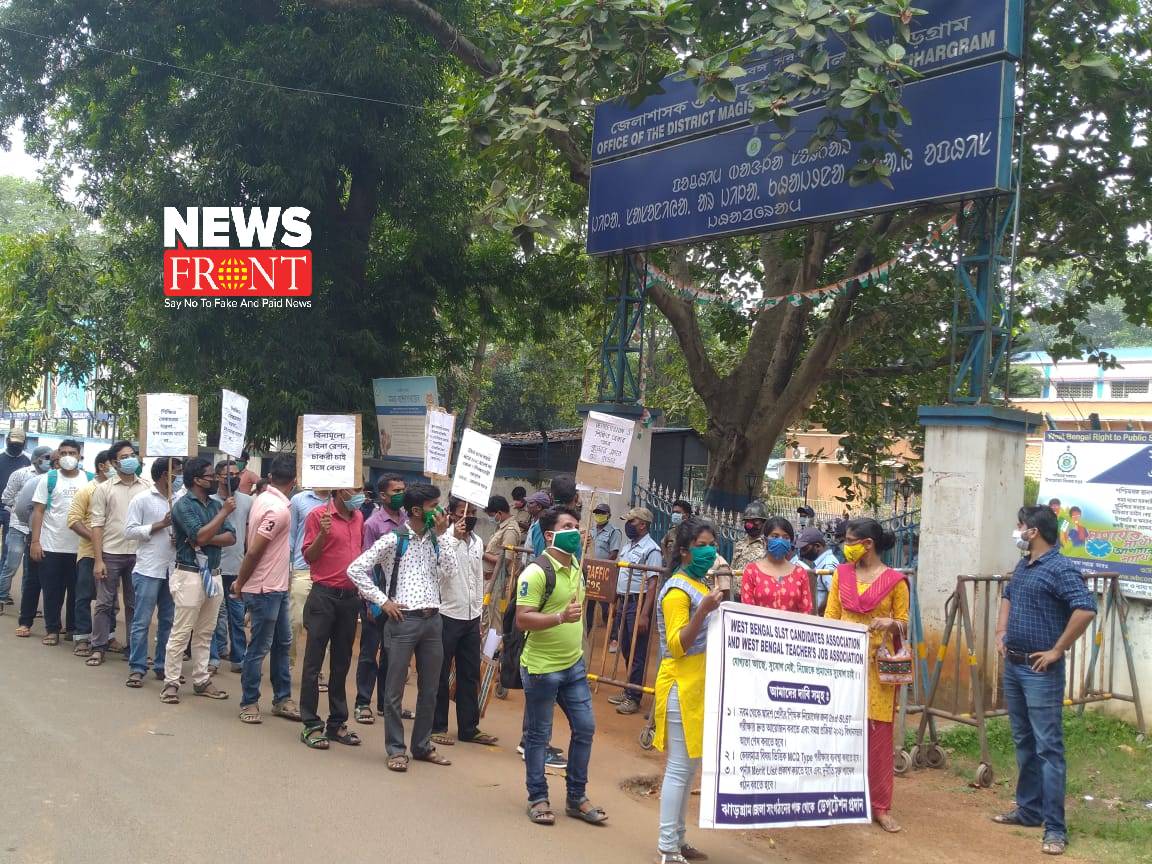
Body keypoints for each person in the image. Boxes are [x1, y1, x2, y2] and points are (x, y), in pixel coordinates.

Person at [992, 506, 1097, 857]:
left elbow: (1085, 609)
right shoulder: (1025, 564)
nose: (1017, 530)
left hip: (1040, 671)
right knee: (1024, 741)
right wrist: (1001, 631)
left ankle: (1055, 828)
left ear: (1034, 531)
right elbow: (1009, 596)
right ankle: (1029, 810)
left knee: (1048, 749)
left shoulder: (1061, 568)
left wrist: (1056, 650)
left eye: (1020, 525)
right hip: (1015, 664)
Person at [345, 483, 460, 773]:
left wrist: (444, 536)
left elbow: (451, 572)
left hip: (434, 620)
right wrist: (383, 601)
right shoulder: (393, 540)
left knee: (431, 688)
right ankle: (396, 750)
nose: (440, 511)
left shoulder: (437, 539)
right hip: (403, 620)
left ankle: (422, 746)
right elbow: (355, 568)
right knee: (393, 690)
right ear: (418, 510)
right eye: (434, 506)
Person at [517, 506, 606, 827]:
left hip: (573, 667)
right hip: (542, 669)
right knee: (539, 736)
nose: (577, 529)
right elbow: (522, 618)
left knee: (585, 728)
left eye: (578, 524)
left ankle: (576, 797)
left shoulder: (577, 567)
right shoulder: (536, 572)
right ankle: (538, 798)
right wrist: (558, 618)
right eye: (569, 525)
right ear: (551, 535)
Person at [824, 517, 909, 834]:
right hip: (843, 664)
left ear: (867, 544)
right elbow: (830, 616)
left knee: (877, 735)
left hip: (877, 667)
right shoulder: (841, 575)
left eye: (849, 541)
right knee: (840, 731)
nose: (846, 547)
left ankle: (881, 806)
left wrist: (890, 624)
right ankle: (838, 797)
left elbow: (904, 623)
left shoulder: (895, 582)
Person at [653, 517, 724, 863]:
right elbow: (677, 644)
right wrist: (705, 611)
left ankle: (679, 839)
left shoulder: (699, 584)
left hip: (700, 686)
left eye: (712, 543)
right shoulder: (678, 591)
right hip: (681, 684)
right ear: (683, 551)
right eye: (701, 545)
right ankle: (667, 846)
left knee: (689, 766)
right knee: (679, 768)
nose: (709, 550)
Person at [233, 454, 300, 724]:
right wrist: (240, 583)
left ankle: (282, 698)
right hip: (264, 588)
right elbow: (254, 552)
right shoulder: (278, 509)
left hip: (277, 585)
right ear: (294, 482)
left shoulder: (264, 499)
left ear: (271, 477)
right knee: (260, 647)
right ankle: (249, 702)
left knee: (283, 643)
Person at [298, 486, 366, 750]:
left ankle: (337, 723)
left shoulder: (358, 517)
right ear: (339, 491)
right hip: (323, 596)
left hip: (349, 598)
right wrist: (323, 535)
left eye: (361, 488)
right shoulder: (318, 516)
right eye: (354, 489)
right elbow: (309, 556)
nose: (359, 493)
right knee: (314, 662)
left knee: (342, 662)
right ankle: (311, 725)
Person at [162, 457, 234, 704]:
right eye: (210, 476)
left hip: (213, 575)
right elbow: (199, 534)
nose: (215, 479)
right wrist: (220, 518)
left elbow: (231, 537)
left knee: (205, 632)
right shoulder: (183, 505)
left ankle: (201, 679)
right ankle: (171, 682)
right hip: (190, 574)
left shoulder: (214, 506)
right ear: (196, 480)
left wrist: (205, 536)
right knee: (181, 632)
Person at [432, 497, 498, 747]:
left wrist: (480, 609)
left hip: (471, 615)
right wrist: (453, 540)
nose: (466, 517)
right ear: (450, 514)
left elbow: (476, 576)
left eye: (471, 512)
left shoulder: (478, 541)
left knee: (469, 673)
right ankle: (437, 725)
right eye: (461, 512)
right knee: (439, 672)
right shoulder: (441, 539)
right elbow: (441, 573)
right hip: (447, 613)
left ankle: (469, 728)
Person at [354, 472, 411, 725]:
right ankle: (363, 702)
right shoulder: (373, 524)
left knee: (393, 655)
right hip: (378, 599)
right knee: (369, 651)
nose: (400, 494)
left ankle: (385, 704)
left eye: (403, 490)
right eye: (395, 491)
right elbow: (365, 565)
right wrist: (370, 601)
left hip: (402, 599)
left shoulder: (410, 522)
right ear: (383, 495)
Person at [88, 440, 150, 666]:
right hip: (111, 553)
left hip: (138, 554)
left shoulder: (145, 487)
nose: (130, 459)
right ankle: (98, 647)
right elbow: (97, 524)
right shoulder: (104, 489)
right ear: (114, 462)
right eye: (124, 456)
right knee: (104, 603)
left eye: (132, 454)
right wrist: (98, 560)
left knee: (135, 605)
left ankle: (134, 650)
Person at [123, 458, 179, 687]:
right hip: (148, 568)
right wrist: (160, 525)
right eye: (176, 473)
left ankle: (162, 665)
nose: (179, 477)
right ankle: (137, 667)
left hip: (172, 568)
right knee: (142, 620)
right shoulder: (142, 499)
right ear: (165, 475)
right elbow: (129, 531)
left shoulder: (180, 500)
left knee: (168, 620)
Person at [29, 439, 89, 646]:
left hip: (80, 548)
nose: (67, 457)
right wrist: (35, 541)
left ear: (80, 456)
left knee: (78, 592)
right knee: (52, 590)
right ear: (58, 456)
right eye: (63, 453)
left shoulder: (89, 480)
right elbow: (38, 511)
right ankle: (52, 629)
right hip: (52, 545)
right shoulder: (49, 479)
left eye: (72, 453)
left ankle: (72, 629)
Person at [611, 507, 663, 715]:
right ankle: (629, 687)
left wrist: (644, 613)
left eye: (631, 522)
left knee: (637, 649)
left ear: (642, 524)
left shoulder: (652, 550)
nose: (628, 525)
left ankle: (634, 696)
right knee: (625, 645)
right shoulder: (628, 546)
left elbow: (653, 584)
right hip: (624, 601)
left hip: (638, 602)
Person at [67, 449, 112, 657]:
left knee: (109, 598)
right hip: (88, 553)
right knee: (84, 595)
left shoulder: (116, 489)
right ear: (103, 466)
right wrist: (96, 540)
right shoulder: (87, 490)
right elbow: (73, 520)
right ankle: (82, 638)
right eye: (114, 462)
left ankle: (107, 636)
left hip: (114, 553)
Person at [7, 446, 53, 638]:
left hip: (63, 541)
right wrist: (34, 530)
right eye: (50, 459)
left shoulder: (79, 482)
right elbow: (22, 509)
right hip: (35, 536)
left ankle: (55, 626)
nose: (51, 462)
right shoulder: (36, 481)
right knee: (31, 580)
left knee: (56, 584)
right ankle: (26, 620)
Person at [211, 460, 252, 674]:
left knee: (237, 617)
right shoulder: (209, 501)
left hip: (238, 568)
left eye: (237, 473)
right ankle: (214, 658)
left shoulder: (247, 501)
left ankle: (239, 658)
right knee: (213, 617)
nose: (234, 477)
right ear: (218, 477)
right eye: (229, 474)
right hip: (214, 567)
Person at [289, 484, 329, 671]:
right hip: (302, 568)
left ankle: (318, 670)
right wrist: (287, 567)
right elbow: (291, 535)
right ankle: (287, 664)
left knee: (323, 626)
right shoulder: (299, 500)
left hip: (328, 573)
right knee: (295, 621)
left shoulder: (341, 502)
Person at [741, 517, 813, 614]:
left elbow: (806, 611)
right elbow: (746, 610)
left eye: (786, 537)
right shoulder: (752, 571)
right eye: (775, 536)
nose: (780, 540)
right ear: (765, 540)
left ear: (790, 542)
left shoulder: (800, 573)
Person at [0, 428, 30, 606]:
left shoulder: (27, 462)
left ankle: (2, 591)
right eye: (13, 443)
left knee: (8, 551)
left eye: (19, 444)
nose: (15, 446)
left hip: (12, 511)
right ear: (7, 441)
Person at [586, 502, 621, 629]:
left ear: (609, 515)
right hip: (591, 573)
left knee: (606, 607)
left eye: (602, 513)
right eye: (597, 513)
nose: (599, 515)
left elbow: (614, 553)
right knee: (589, 606)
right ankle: (587, 633)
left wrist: (601, 565)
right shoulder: (591, 531)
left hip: (604, 573)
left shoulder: (614, 532)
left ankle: (613, 636)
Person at [795, 526, 839, 615]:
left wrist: (817, 613)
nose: (802, 553)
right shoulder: (822, 562)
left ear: (817, 546)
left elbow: (833, 594)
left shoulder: (828, 564)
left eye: (805, 549)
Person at [730, 500, 769, 601]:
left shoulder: (767, 545)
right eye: (747, 521)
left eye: (755, 522)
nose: (750, 525)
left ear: (764, 522)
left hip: (756, 598)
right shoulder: (739, 543)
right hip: (737, 596)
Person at [482, 494, 521, 584]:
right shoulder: (501, 527)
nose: (490, 518)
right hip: (491, 580)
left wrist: (482, 554)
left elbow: (505, 560)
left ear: (499, 513)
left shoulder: (510, 530)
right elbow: (496, 549)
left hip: (498, 583)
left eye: (491, 515)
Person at [660, 499, 693, 567]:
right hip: (672, 571)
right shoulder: (672, 531)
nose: (674, 515)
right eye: (673, 512)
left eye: (678, 512)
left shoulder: (693, 532)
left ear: (686, 515)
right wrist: (668, 562)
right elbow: (663, 543)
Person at [526, 490, 553, 557]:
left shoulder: (541, 526)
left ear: (539, 507)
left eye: (531, 503)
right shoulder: (534, 522)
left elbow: (539, 553)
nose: (527, 505)